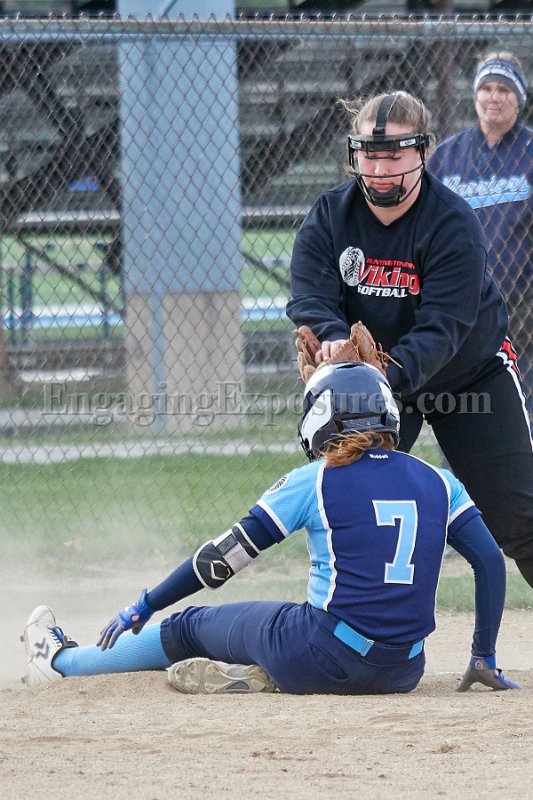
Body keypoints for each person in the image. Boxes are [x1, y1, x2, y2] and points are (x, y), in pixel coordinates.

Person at [22, 363, 518, 695]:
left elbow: (218, 563)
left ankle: (61, 662)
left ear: (322, 416)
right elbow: (490, 563)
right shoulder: (438, 480)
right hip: (403, 671)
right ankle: (261, 673)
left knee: (189, 625)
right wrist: (483, 654)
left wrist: (147, 603)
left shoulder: (316, 479)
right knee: (295, 626)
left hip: (320, 658)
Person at [286, 90, 533, 589]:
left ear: (424, 152)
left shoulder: (452, 222)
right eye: (369, 155)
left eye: (395, 154)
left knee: (519, 521)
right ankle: (346, 628)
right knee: (351, 510)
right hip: (369, 385)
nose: (380, 169)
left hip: (468, 376)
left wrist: (385, 373)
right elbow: (309, 295)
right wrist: (333, 340)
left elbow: (445, 325)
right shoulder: (331, 215)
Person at [429, 51, 532, 420]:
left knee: (522, 405)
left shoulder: (530, 151)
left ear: (519, 98)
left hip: (523, 306)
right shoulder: (448, 156)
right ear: (475, 95)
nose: (494, 97)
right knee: (464, 406)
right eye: (486, 88)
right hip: (463, 306)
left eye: (504, 89)